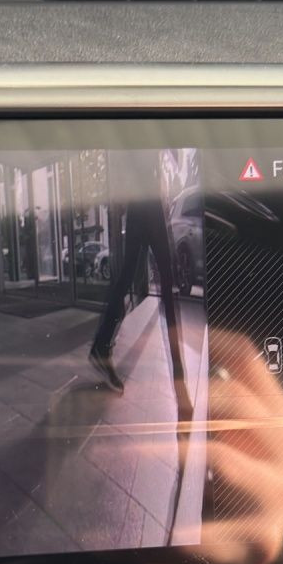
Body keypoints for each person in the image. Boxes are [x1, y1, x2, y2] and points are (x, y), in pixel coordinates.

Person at [88, 148, 186, 397]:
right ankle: (179, 379)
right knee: (165, 282)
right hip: (147, 200)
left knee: (130, 276)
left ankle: (101, 346)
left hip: (142, 199)